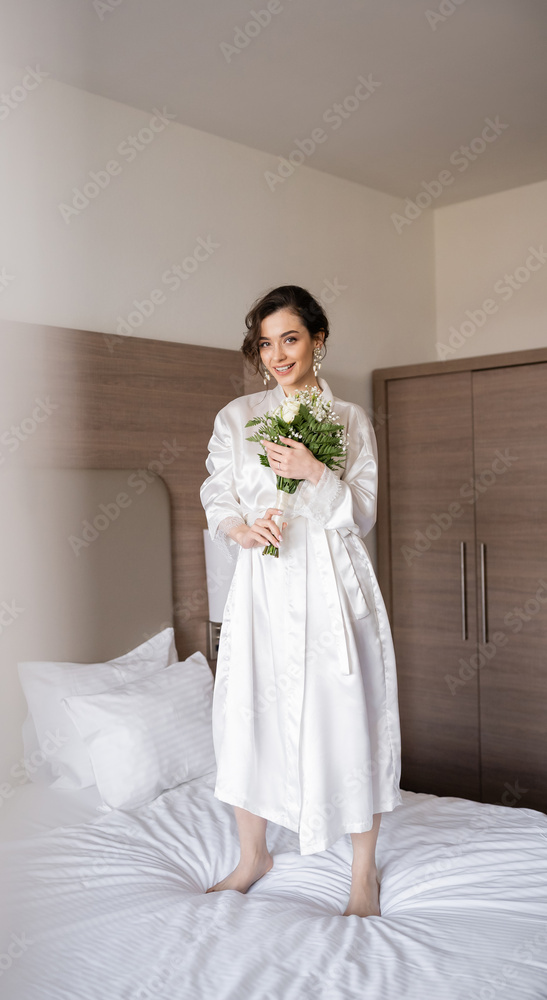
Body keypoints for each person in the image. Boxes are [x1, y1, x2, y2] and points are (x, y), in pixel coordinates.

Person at [199, 285, 402, 918]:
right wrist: (240, 529)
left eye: (290, 338)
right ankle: (252, 856)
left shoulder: (351, 420)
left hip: (333, 582)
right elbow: (217, 494)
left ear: (318, 339)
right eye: (266, 344)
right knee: (248, 709)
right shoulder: (237, 418)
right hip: (263, 582)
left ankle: (362, 873)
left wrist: (315, 470)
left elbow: (362, 514)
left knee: (349, 712)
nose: (278, 355)